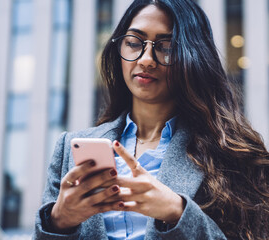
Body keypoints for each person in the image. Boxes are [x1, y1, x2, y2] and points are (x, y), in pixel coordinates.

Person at [33, 0, 269, 239]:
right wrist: (59, 221)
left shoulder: (232, 153)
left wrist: (177, 212)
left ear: (193, 56)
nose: (146, 59)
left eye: (165, 46)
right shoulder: (70, 148)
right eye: (134, 43)